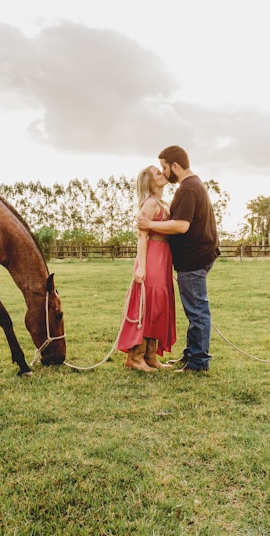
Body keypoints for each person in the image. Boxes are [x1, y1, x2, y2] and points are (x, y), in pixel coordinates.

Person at [136, 145, 219, 373]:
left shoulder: (188, 188)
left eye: (164, 167)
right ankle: (191, 354)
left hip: (194, 259)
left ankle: (198, 362)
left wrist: (149, 224)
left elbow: (182, 226)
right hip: (195, 257)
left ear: (175, 166)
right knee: (195, 311)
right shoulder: (192, 186)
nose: (164, 172)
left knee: (197, 312)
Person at [117, 165, 178, 371]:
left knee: (158, 305)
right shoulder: (150, 204)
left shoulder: (165, 203)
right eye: (157, 173)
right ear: (149, 182)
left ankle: (150, 356)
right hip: (151, 256)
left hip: (164, 258)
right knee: (146, 303)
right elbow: (142, 236)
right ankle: (135, 358)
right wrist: (141, 267)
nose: (162, 173)